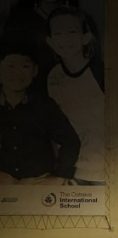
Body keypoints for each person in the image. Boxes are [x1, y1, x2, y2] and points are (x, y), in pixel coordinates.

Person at [0, 40, 80, 184]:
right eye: (10, 66)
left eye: (25, 66)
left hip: (37, 183)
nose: (17, 72)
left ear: (35, 71)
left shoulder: (45, 105)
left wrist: (59, 175)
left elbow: (71, 142)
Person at [46, 5, 104, 184]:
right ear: (50, 40)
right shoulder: (54, 76)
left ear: (85, 37)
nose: (64, 39)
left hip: (103, 170)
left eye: (71, 32)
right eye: (58, 33)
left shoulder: (101, 72)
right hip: (72, 171)